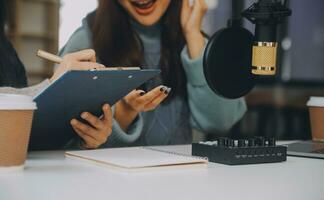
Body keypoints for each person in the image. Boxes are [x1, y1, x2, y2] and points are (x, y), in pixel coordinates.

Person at [60, 0, 247, 148]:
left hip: (182, 181)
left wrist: (192, 35)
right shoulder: (84, 44)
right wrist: (123, 115)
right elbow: (62, 142)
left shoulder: (196, 42)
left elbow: (220, 121)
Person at [0, 0, 112, 149]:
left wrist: (80, 137)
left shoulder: (6, 51)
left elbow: (23, 133)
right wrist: (52, 86)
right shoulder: (85, 36)